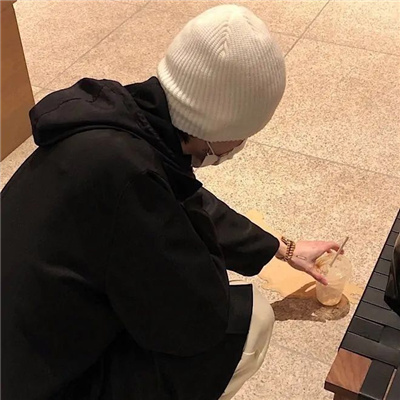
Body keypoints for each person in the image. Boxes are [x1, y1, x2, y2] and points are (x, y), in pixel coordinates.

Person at [1, 4, 340, 400]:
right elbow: (198, 321)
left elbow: (177, 192)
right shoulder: (131, 181)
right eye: (244, 134)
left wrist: (282, 248)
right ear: (218, 127)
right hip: (44, 384)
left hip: (22, 344)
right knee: (248, 321)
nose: (241, 145)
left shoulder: (114, 125)